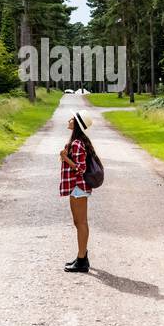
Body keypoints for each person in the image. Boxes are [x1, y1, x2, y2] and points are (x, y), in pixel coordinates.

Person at [59, 110, 95, 272]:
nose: (69, 120)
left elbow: (80, 168)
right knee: (78, 222)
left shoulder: (77, 144)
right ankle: (82, 255)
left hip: (78, 187)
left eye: (72, 119)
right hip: (76, 187)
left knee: (81, 223)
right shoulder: (76, 142)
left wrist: (65, 158)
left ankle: (81, 261)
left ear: (77, 124)